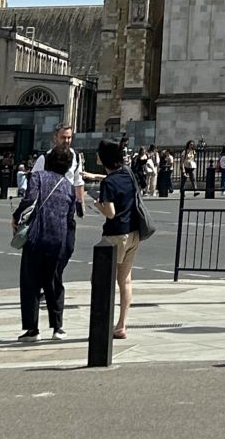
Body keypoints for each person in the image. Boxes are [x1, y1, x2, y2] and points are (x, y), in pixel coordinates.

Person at [14, 144, 77, 343]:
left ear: (48, 162)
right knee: (54, 282)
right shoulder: (68, 186)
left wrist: (16, 216)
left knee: (31, 281)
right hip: (58, 238)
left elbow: (29, 200)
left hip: (36, 236)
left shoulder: (38, 177)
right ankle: (58, 327)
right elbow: (70, 217)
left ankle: (32, 329)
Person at [93, 137, 143, 340]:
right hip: (133, 233)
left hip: (115, 235)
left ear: (103, 158)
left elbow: (111, 212)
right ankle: (121, 324)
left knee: (101, 280)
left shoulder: (108, 183)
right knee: (125, 281)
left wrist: (98, 205)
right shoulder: (128, 175)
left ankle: (102, 322)